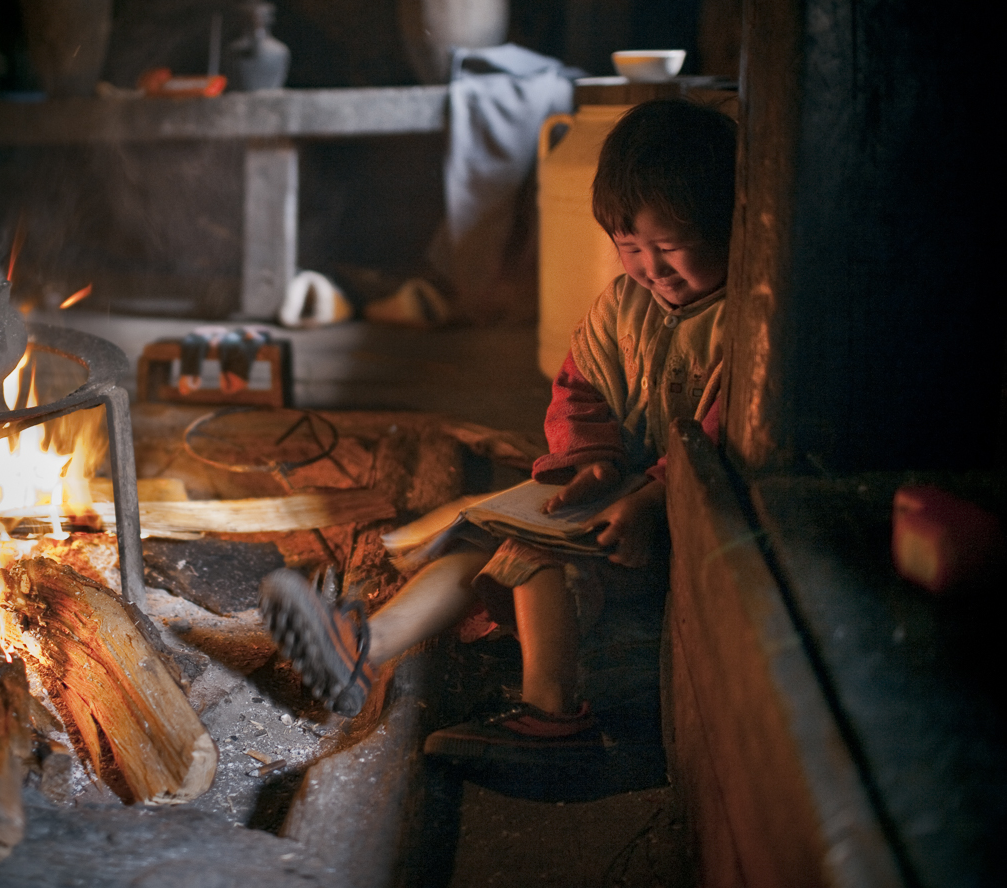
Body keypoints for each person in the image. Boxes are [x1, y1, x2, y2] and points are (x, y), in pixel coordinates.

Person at [259, 99, 738, 737]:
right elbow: (580, 390)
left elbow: (720, 439)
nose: (652, 270)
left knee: (530, 552)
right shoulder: (624, 305)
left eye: (671, 248)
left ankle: (554, 717)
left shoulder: (739, 324)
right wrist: (591, 460)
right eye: (630, 248)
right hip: (606, 495)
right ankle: (363, 651)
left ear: (728, 228)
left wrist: (651, 500)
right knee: (484, 537)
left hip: (665, 529)